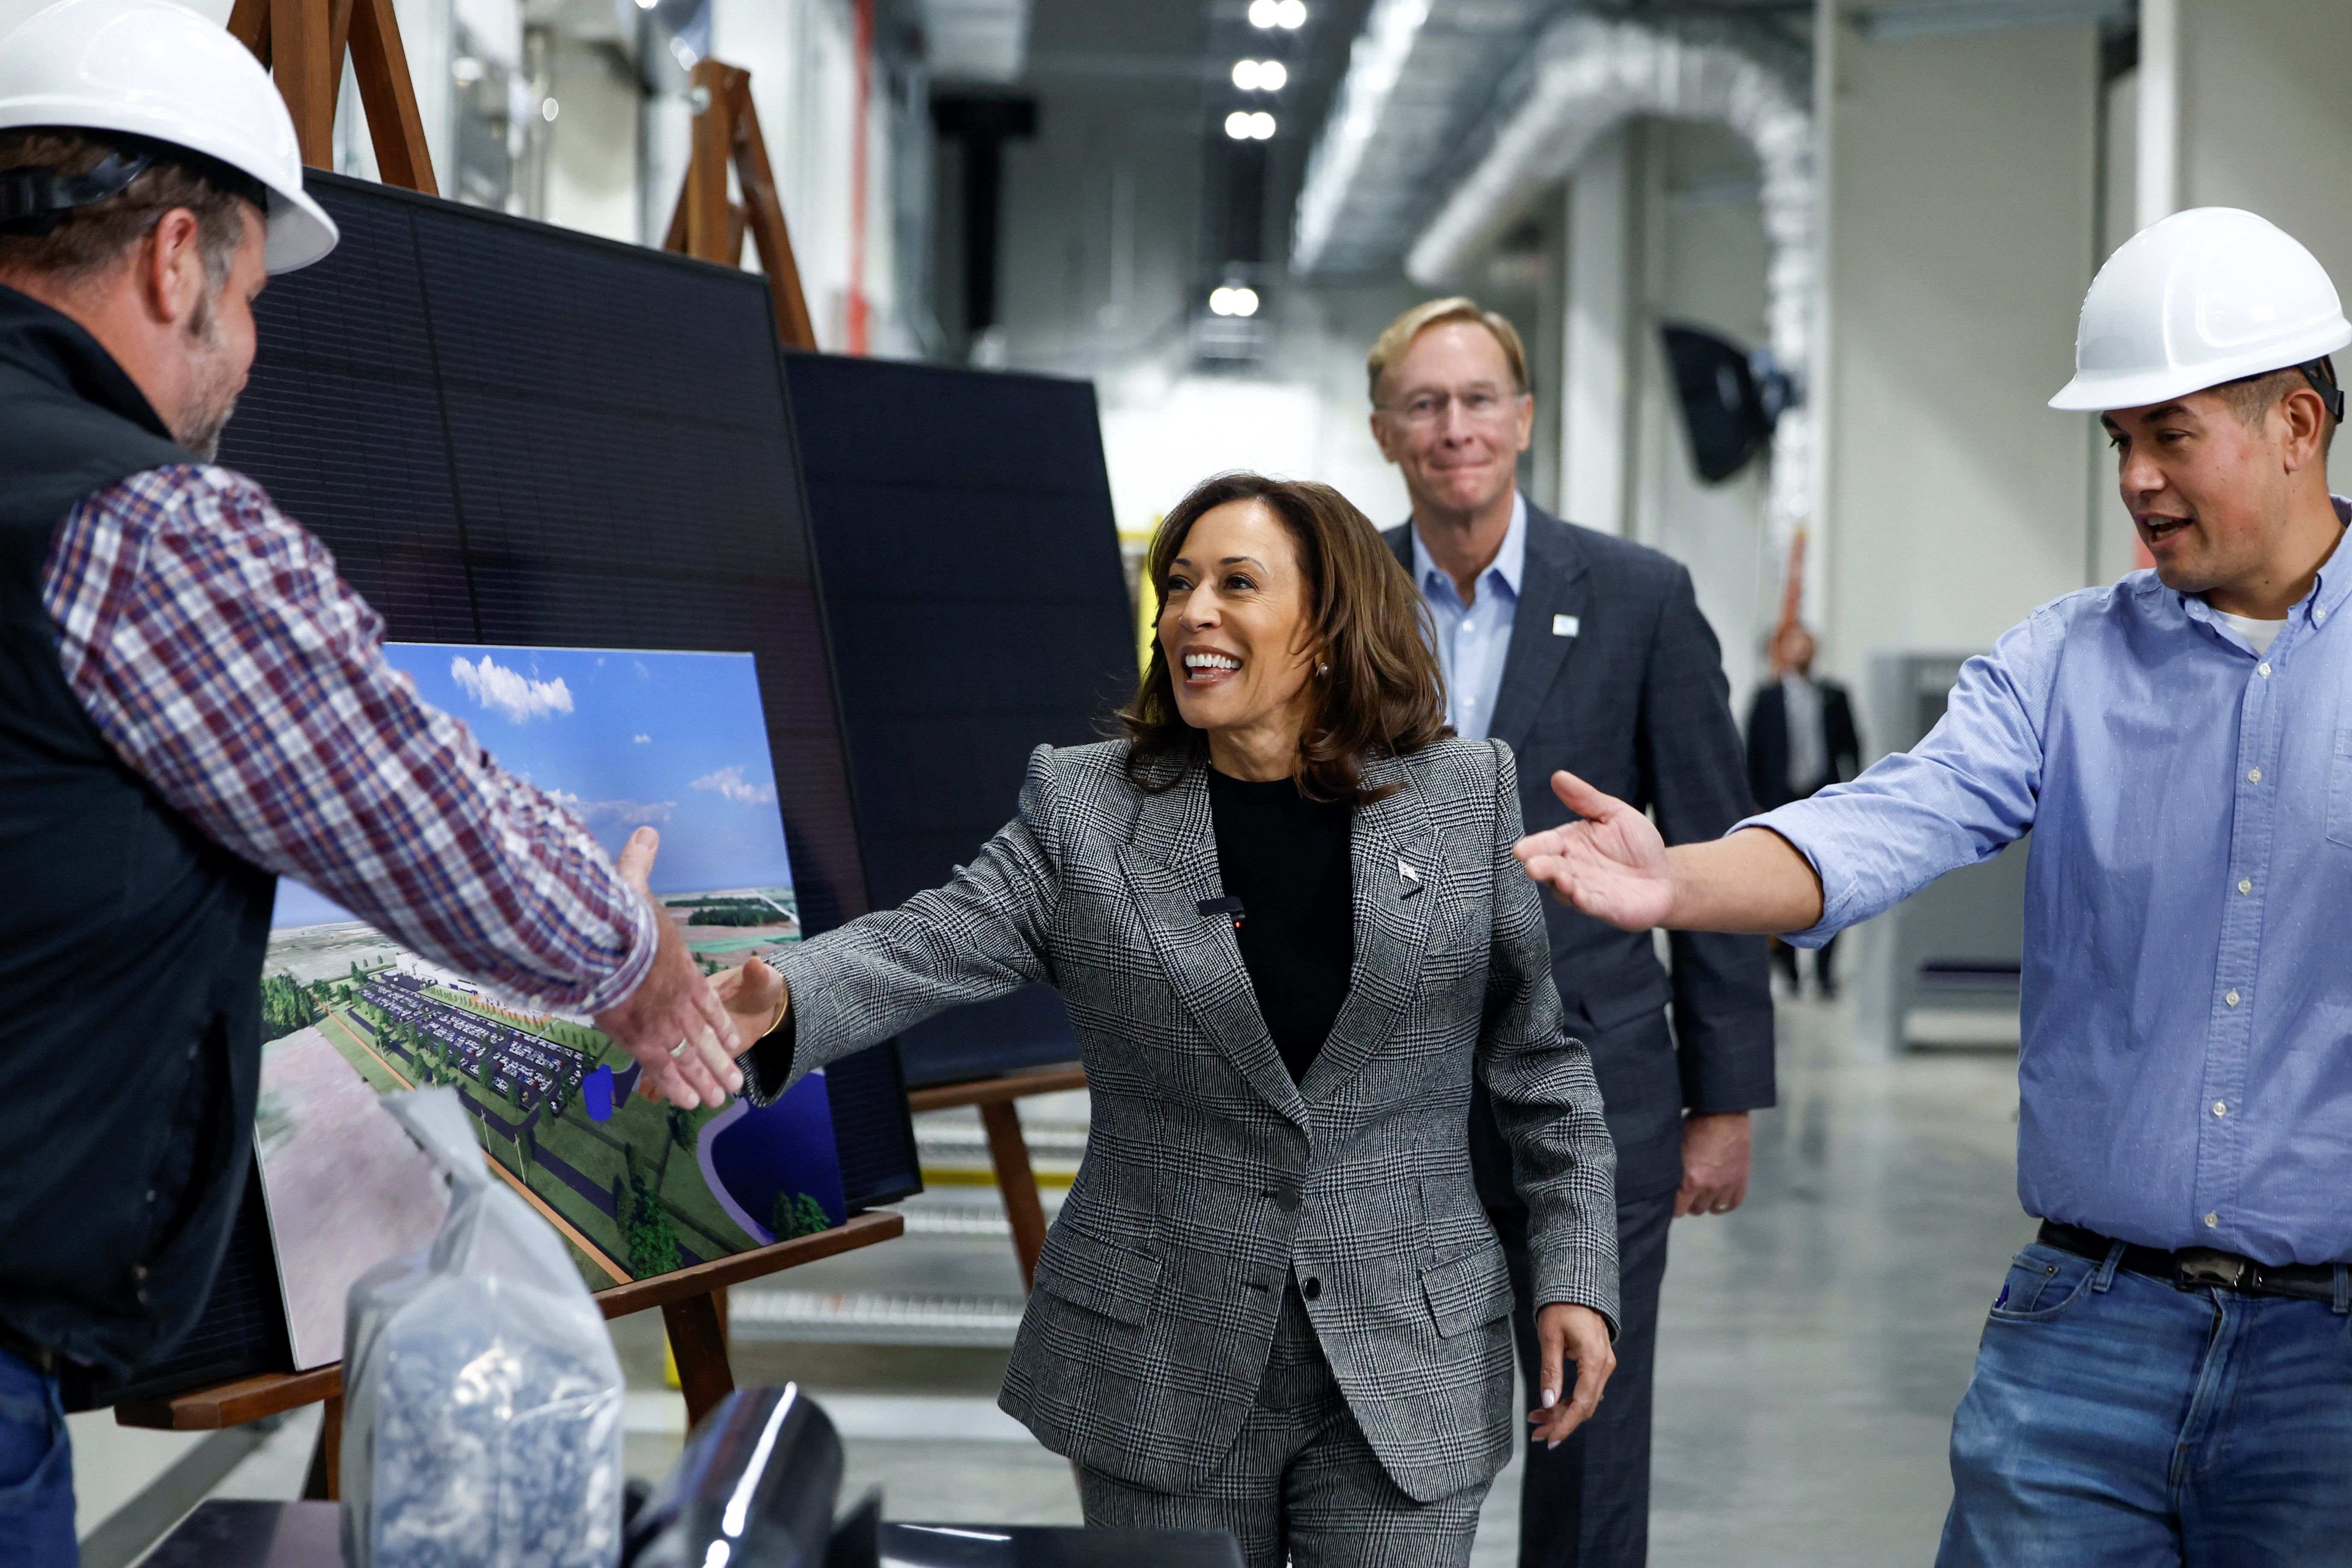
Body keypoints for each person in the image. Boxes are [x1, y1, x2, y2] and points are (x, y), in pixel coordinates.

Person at [0, 4, 771, 1558]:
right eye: (254, 294)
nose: (260, 350)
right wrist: (638, 956)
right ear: (171, 259)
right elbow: (419, 811)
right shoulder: (141, 525)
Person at [1513, 206, 2352, 1564]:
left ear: (2297, 424)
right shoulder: (2064, 663)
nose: (2135, 478)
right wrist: (1675, 878)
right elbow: (1883, 822)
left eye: (2172, 434)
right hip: (2087, 1334)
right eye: (2119, 442)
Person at [721, 472, 1621, 1568]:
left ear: (1328, 626)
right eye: (1177, 583)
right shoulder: (1086, 805)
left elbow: (1539, 1064)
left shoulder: (1461, 791)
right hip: (1161, 1358)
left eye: (1236, 583)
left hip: (1407, 1351)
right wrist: (785, 996)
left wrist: (1575, 1271)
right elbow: (928, 939)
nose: (1191, 610)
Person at [1365, 296, 1774, 1568]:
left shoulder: (1641, 597)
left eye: (1480, 398)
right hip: (1388, 1092)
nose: (1455, 428)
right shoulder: (1342, 597)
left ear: (1524, 419)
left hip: (1600, 1092)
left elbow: (1714, 853)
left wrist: (1724, 1100)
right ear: (1384, 432)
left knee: (1587, 1421)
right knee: (1390, 1425)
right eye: (1424, 404)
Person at [1742, 623, 1860, 996]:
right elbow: (1752, 753)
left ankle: (1825, 973)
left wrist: (1853, 793)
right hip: (1781, 799)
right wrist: (1756, 800)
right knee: (1783, 884)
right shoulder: (1767, 697)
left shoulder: (1833, 695)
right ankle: (1789, 969)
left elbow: (1852, 747)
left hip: (1823, 796)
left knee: (1834, 882)